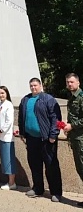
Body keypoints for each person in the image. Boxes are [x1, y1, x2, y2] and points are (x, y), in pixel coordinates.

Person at [18, 78, 62, 202]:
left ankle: (56, 192)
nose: (33, 88)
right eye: (31, 85)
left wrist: (53, 135)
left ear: (40, 86)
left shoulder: (48, 99)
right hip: (32, 139)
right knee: (34, 164)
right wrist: (22, 132)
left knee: (51, 166)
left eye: (35, 85)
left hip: (47, 139)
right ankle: (38, 188)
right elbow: (21, 117)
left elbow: (56, 118)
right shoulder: (25, 100)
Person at [64, 73, 83, 208]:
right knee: (80, 169)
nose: (69, 84)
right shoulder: (72, 98)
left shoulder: (81, 98)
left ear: (78, 83)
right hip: (75, 139)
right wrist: (67, 127)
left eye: (72, 82)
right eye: (68, 82)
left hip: (81, 139)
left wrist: (72, 125)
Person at [0, 85, 16, 190]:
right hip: (0, 136)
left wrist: (1, 131)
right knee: (4, 159)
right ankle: (9, 180)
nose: (1, 95)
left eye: (2, 93)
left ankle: (12, 183)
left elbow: (9, 121)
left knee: (9, 159)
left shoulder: (9, 105)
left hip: (6, 137)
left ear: (6, 93)